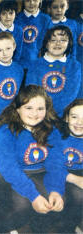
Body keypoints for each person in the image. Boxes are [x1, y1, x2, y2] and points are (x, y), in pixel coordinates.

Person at [0, 85, 66, 233]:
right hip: (5, 176)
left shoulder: (51, 129)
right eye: (28, 108)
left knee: (53, 201)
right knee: (22, 204)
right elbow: (9, 168)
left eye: (40, 108)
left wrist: (56, 190)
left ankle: (38, 228)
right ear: (18, 109)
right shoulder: (5, 131)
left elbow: (56, 164)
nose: (35, 113)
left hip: (37, 172)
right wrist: (34, 196)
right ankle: (1, 227)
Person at [26, 25, 82, 116]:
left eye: (63, 40)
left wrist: (53, 114)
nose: (58, 43)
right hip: (39, 115)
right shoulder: (35, 65)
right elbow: (31, 93)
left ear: (69, 43)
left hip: (65, 115)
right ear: (46, 43)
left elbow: (71, 95)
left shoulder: (75, 66)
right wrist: (44, 113)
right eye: (53, 40)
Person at [56, 99, 83, 233]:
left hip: (80, 172)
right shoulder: (58, 138)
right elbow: (52, 167)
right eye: (74, 117)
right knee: (79, 196)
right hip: (61, 174)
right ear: (66, 118)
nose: (80, 123)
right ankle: (65, 229)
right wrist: (75, 179)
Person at [15, 0, 51, 68]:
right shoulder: (16, 19)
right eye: (28, 0)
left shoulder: (46, 19)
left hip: (39, 64)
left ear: (40, 1)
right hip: (19, 64)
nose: (31, 3)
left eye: (35, 0)